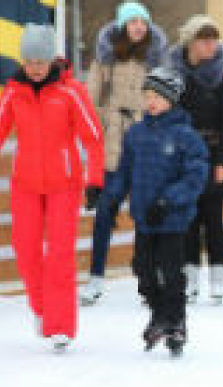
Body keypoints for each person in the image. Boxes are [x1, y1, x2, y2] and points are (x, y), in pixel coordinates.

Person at [0, 24, 105, 352]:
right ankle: (43, 309)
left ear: (53, 60)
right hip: (25, 183)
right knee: (25, 250)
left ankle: (61, 326)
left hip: (64, 184)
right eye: (29, 62)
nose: (35, 68)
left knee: (59, 254)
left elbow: (93, 139)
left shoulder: (72, 92)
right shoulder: (14, 91)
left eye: (41, 61)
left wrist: (94, 180)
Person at [102, 67, 208, 355]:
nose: (151, 101)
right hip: (145, 219)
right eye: (147, 95)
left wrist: (168, 200)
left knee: (172, 273)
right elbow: (124, 173)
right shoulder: (136, 134)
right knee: (144, 271)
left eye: (158, 96)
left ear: (171, 99)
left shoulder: (186, 136)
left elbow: (196, 175)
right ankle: (160, 315)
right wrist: (110, 201)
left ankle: (177, 323)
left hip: (172, 220)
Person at [80, 1, 170, 305]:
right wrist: (102, 119)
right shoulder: (107, 55)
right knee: (106, 208)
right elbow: (91, 96)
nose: (137, 27)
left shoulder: (156, 57)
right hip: (115, 141)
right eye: (132, 22)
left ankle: (150, 278)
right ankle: (95, 277)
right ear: (122, 26)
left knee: (147, 212)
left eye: (142, 22)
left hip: (147, 138)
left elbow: (169, 96)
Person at [170, 15, 223, 306]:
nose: (211, 45)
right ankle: (189, 279)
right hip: (185, 155)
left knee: (213, 217)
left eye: (214, 39)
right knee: (188, 218)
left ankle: (218, 278)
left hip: (215, 155)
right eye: (204, 39)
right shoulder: (174, 72)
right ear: (191, 42)